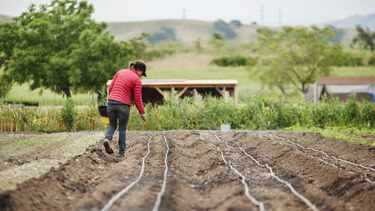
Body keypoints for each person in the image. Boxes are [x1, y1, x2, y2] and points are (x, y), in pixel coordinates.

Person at [103, 61, 147, 156]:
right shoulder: (137, 80)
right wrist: (142, 112)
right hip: (123, 105)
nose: (141, 76)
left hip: (111, 102)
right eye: (142, 73)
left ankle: (107, 139)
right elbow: (137, 98)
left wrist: (112, 98)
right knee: (122, 129)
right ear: (139, 70)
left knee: (112, 125)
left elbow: (111, 87)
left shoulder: (120, 72)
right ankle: (121, 152)